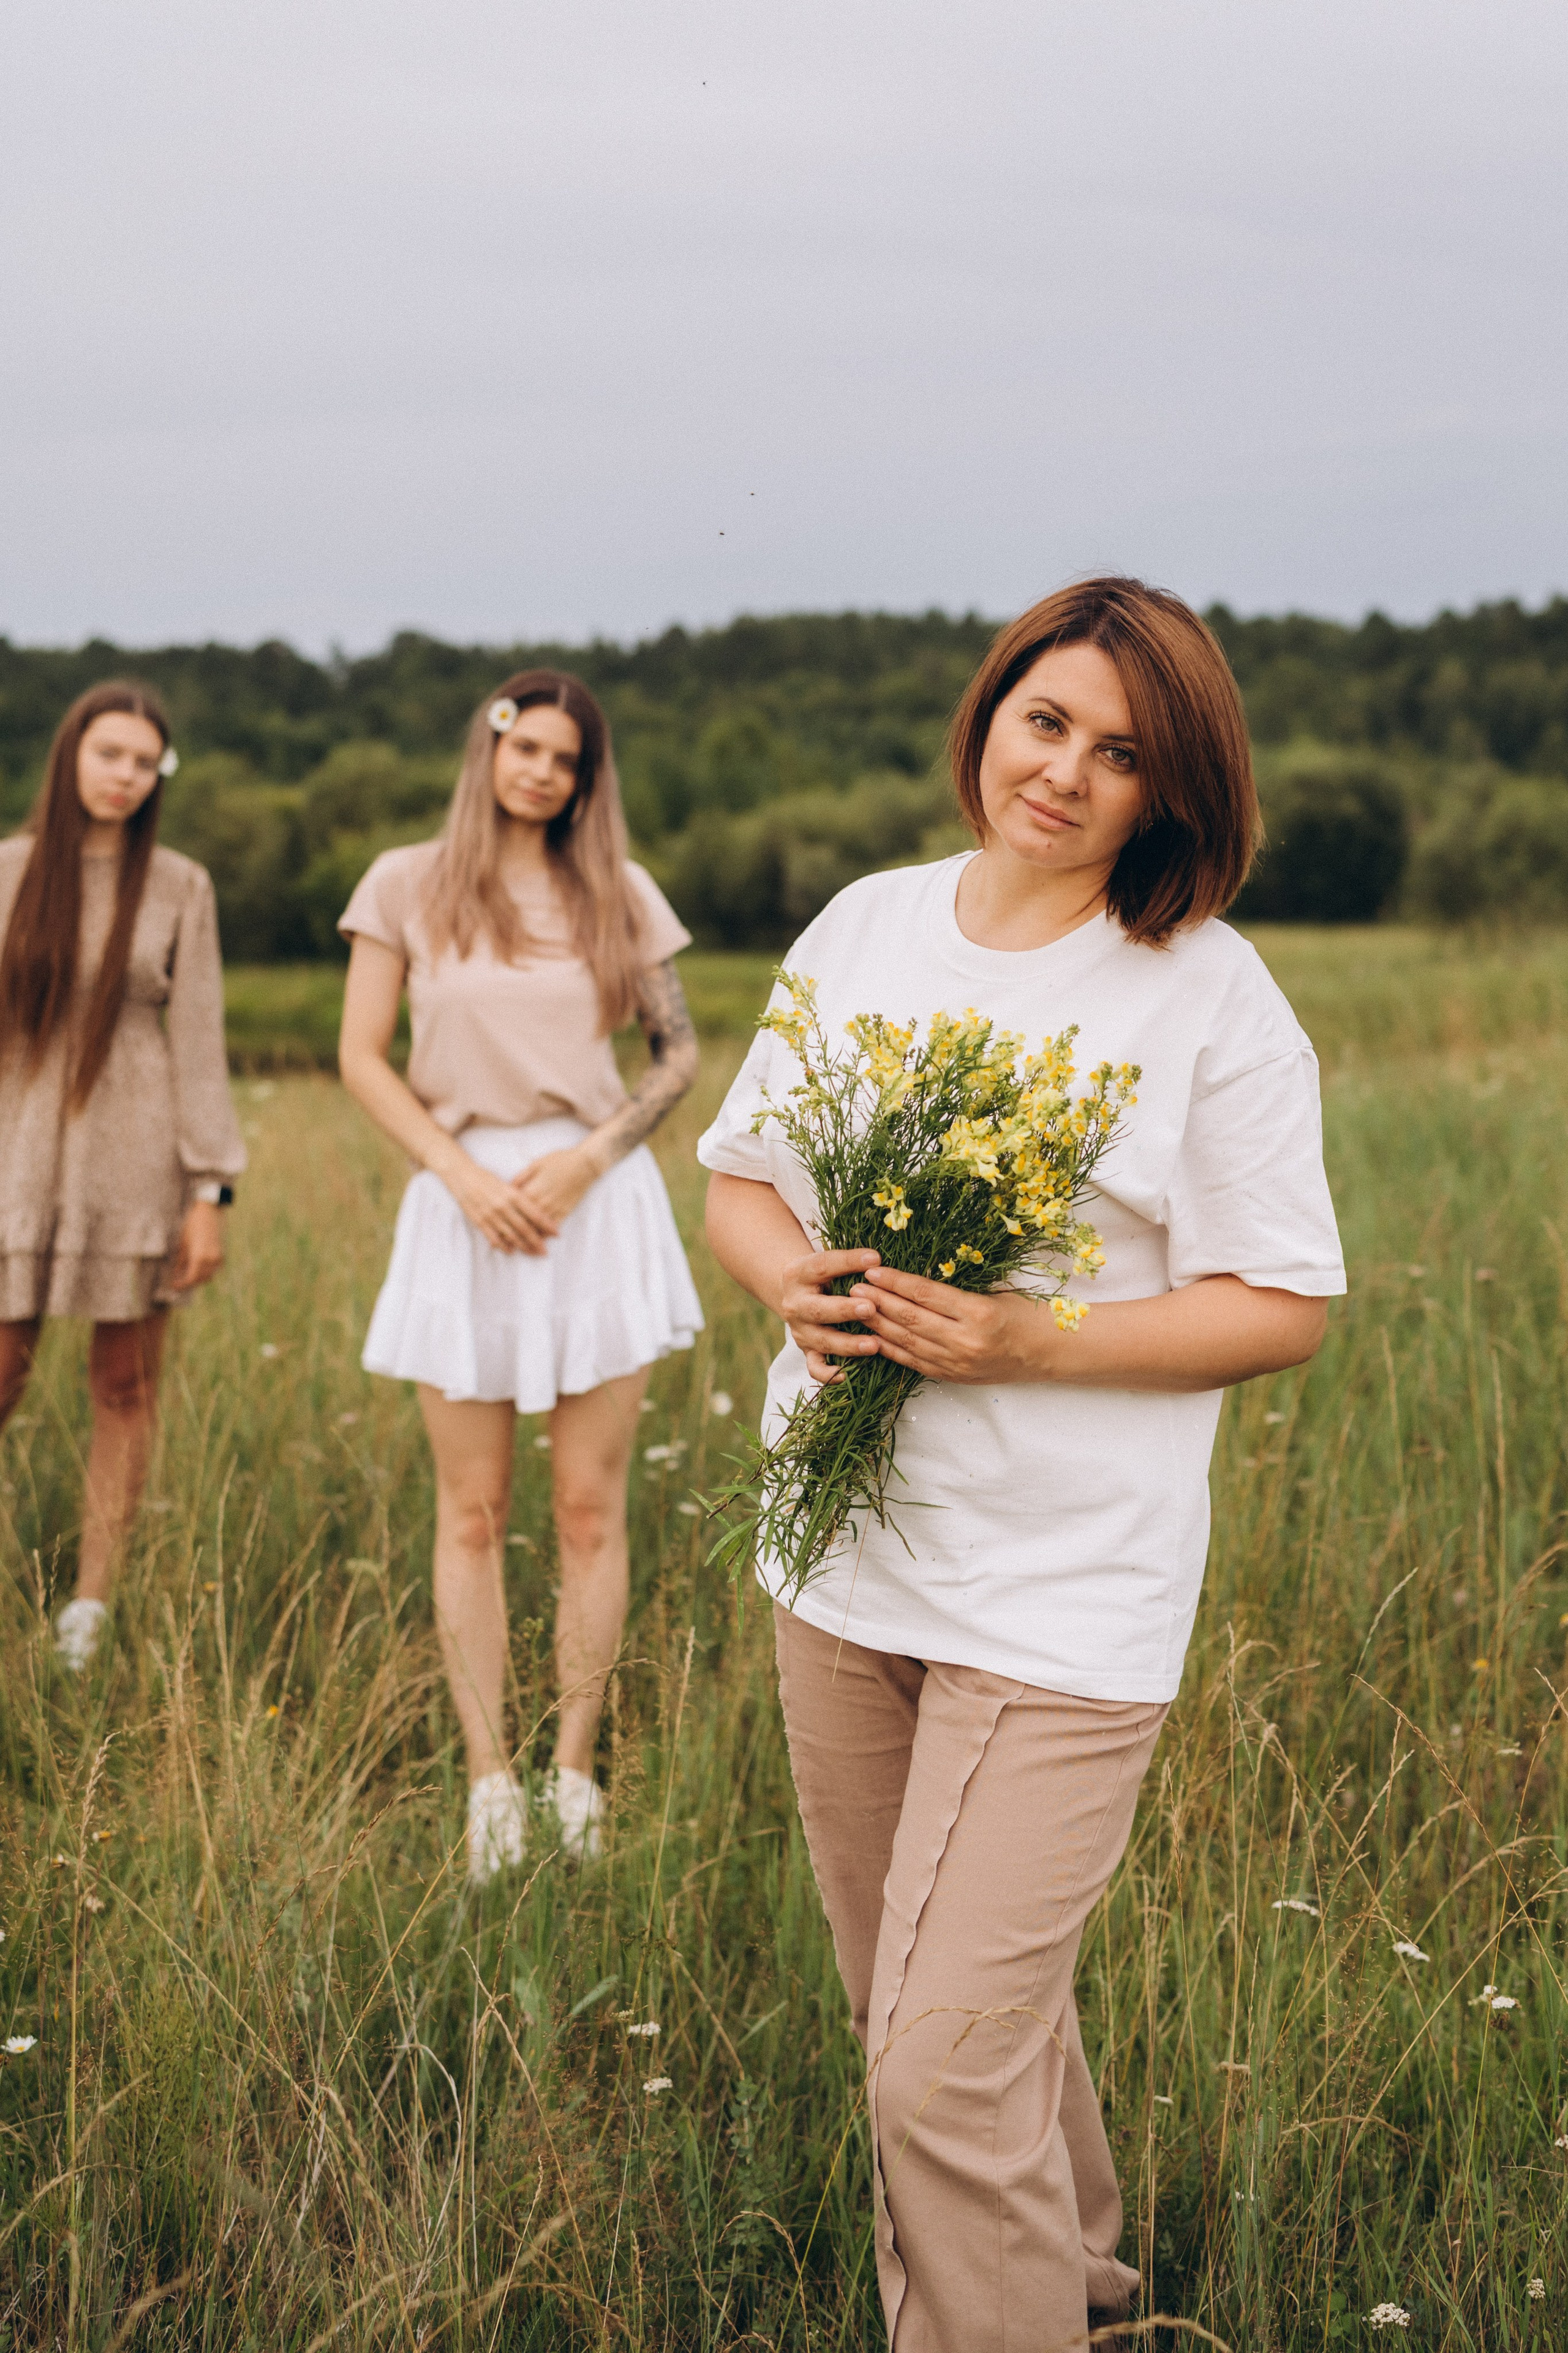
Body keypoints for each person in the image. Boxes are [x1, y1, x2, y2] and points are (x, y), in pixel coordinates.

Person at [699, 578, 1345, 2351]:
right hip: (837, 1567)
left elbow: (1282, 1301)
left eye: (1122, 754)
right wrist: (791, 1284)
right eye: (1045, 720)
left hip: (1059, 1602)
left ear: (1174, 793)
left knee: (931, 2065)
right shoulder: (868, 922)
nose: (1063, 772)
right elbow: (743, 1174)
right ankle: (1090, 2299)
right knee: (939, 2019)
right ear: (991, 712)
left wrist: (1019, 1337)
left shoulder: (1207, 995)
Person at [338, 670, 702, 1883]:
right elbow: (359, 1055)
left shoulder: (615, 892)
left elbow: (677, 1051)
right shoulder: (405, 883)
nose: (541, 770)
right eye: (526, 746)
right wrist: (458, 1174)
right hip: (464, 1205)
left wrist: (588, 1160)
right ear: (489, 749)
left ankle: (573, 1771)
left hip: (590, 1206)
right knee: (473, 1512)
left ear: (585, 780)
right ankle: (490, 1780)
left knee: (591, 1513)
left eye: (567, 758)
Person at [0, 682, 245, 1669]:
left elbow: (200, 1042)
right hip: (18, 1161)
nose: (125, 776)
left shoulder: (180, 885)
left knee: (124, 1385)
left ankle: (88, 1611)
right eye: (110, 755)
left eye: (144, 763)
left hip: (138, 1166)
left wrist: (210, 1192)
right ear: (72, 756)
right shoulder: (11, 871)